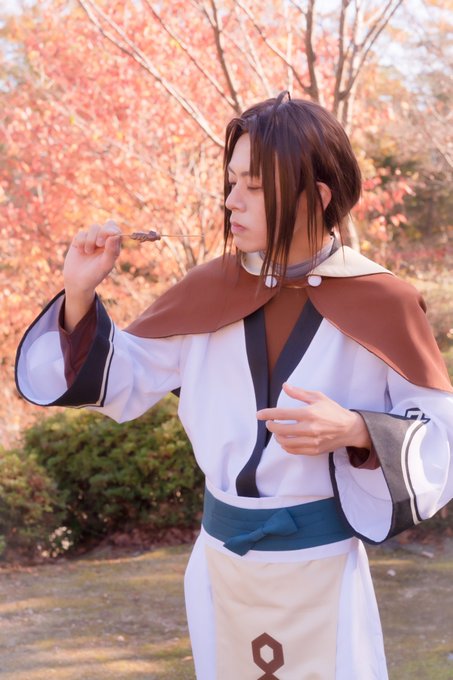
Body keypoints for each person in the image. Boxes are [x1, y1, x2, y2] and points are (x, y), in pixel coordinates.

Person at [16, 92, 453, 679]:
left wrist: (356, 430)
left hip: (323, 568)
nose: (230, 201)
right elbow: (120, 379)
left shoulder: (384, 301)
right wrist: (79, 293)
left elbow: (441, 438)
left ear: (316, 197)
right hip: (220, 565)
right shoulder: (208, 290)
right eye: (231, 182)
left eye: (253, 186)